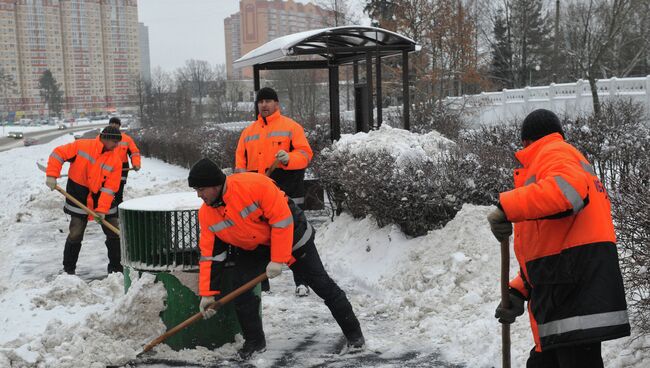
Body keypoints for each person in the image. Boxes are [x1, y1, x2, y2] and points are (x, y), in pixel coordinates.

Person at [486, 109, 630, 368]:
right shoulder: (561, 159)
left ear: (526, 141)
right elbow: (552, 243)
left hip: (573, 301)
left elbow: (568, 193)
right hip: (565, 295)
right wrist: (520, 290)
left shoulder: (554, 152)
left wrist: (508, 207)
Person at [188, 158, 364, 360]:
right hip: (254, 246)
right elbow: (211, 255)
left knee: (320, 283)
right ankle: (254, 342)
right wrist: (208, 294)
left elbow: (282, 221)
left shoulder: (255, 185)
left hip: (293, 235)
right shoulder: (207, 214)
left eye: (201, 189)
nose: (199, 195)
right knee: (241, 290)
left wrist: (278, 258)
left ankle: (354, 335)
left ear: (216, 185)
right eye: (196, 190)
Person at [235, 87, 314, 297]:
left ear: (277, 104)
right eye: (261, 101)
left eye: (269, 101)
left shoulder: (291, 128)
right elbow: (240, 165)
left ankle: (302, 281)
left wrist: (290, 159)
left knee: (296, 239)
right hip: (259, 195)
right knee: (261, 237)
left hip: (288, 190)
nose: (264, 105)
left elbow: (305, 154)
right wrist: (245, 186)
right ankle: (263, 284)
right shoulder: (248, 132)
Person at [45, 126, 124, 275]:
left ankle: (116, 269)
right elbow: (58, 153)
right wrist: (51, 174)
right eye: (114, 141)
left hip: (102, 198)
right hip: (78, 195)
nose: (116, 145)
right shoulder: (82, 145)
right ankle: (68, 270)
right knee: (76, 232)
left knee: (114, 232)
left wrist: (101, 210)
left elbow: (109, 188)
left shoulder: (115, 160)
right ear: (105, 138)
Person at [108, 117, 141, 205]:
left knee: (118, 192)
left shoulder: (126, 139)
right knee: (107, 191)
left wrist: (136, 163)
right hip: (106, 168)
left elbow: (134, 152)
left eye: (116, 124)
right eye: (112, 123)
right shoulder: (102, 137)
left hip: (122, 169)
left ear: (119, 126)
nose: (114, 125)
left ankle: (118, 210)